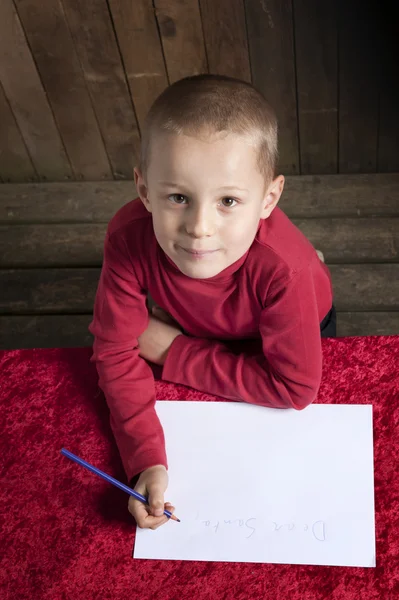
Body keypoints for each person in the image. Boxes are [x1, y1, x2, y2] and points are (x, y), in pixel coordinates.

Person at [89, 74, 335, 531]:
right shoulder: (127, 237)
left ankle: (314, 265)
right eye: (178, 197)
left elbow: (296, 390)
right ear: (144, 191)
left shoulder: (285, 272)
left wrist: (170, 350)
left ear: (269, 199)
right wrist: (146, 460)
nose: (199, 227)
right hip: (202, 316)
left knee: (296, 279)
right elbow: (113, 352)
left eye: (228, 201)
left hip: (289, 314)